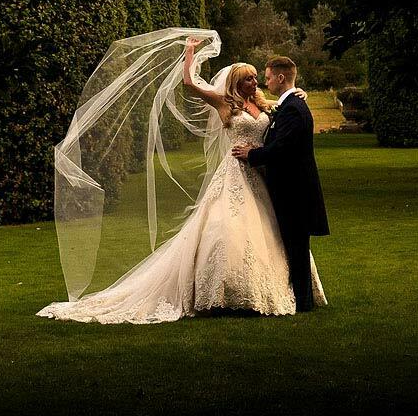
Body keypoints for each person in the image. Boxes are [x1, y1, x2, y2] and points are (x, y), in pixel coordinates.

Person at [36, 34, 326, 323]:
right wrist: (189, 52)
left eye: (256, 77)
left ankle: (277, 286)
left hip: (260, 172)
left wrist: (299, 93)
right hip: (236, 171)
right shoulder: (225, 103)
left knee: (269, 228)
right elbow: (190, 84)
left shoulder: (263, 105)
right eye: (248, 78)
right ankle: (225, 290)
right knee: (225, 228)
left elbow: (287, 109)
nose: (255, 82)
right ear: (236, 82)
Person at [232, 53, 330, 311]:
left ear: (281, 77)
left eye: (267, 78)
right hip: (291, 189)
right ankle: (301, 299)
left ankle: (303, 302)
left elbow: (282, 147)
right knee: (294, 246)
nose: (265, 83)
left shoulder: (293, 109)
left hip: (294, 191)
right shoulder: (289, 105)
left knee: (296, 247)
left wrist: (251, 154)